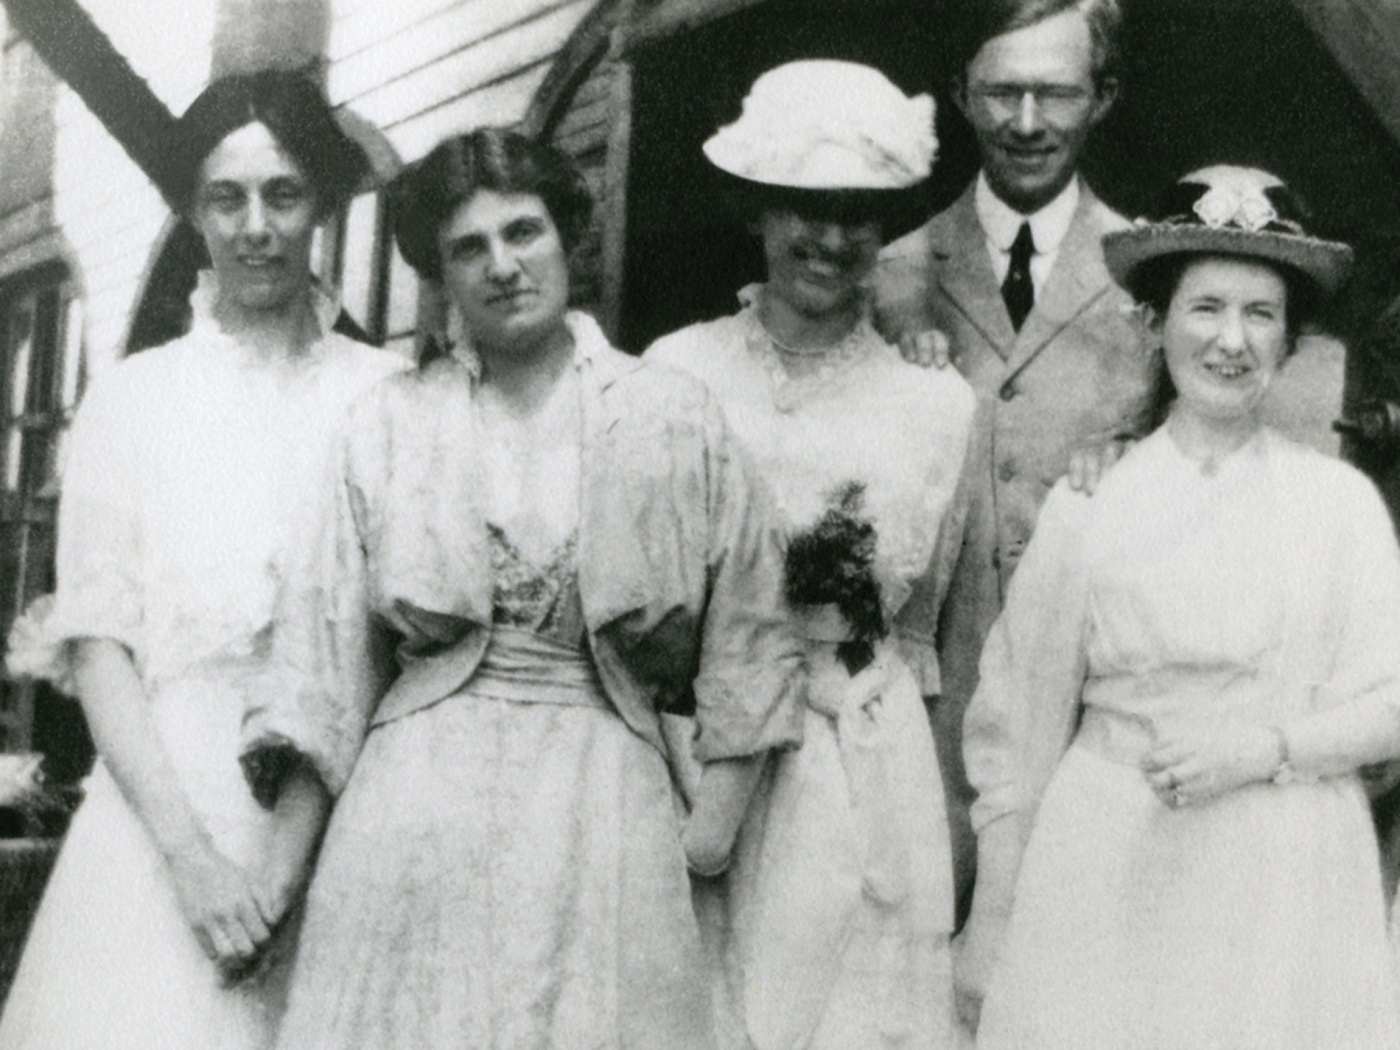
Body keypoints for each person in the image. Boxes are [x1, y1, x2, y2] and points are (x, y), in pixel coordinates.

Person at [251, 127, 804, 1050]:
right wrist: (278, 877)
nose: (502, 266)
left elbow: (751, 630)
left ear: (568, 235)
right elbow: (322, 657)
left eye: (523, 232)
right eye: (468, 248)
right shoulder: (388, 423)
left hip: (607, 807)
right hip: (417, 816)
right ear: (439, 271)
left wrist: (706, 834)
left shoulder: (670, 416)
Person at [0, 71, 405, 1049]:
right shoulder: (132, 400)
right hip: (160, 816)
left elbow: (380, 642)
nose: (256, 226)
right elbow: (99, 643)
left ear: (324, 203)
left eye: (283, 194)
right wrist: (194, 865)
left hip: (339, 816)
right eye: (226, 198)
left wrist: (280, 874)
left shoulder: (388, 398)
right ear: (193, 208)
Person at [959, 165, 1400, 1048]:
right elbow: (1020, 721)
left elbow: (1391, 703)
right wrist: (992, 920)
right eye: (1205, 307)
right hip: (1114, 853)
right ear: (1157, 324)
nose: (1230, 341)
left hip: (1288, 864)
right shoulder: (1092, 501)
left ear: (1289, 340)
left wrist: (1266, 749)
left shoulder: (1338, 505)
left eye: (1260, 314)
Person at [646, 61, 975, 1050]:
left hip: (853, 769)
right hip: (689, 758)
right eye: (805, 206)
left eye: (860, 213)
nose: (831, 239)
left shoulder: (936, 407)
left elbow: (921, 640)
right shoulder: (675, 372)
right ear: (755, 208)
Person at [873, 0, 1162, 920]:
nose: (1027, 123)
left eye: (1055, 92)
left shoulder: (1154, 282)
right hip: (921, 727)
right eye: (1002, 92)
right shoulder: (886, 272)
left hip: (1083, 731)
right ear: (961, 94)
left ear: (1105, 95)